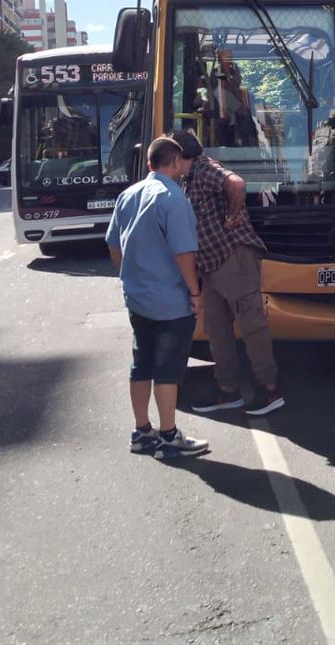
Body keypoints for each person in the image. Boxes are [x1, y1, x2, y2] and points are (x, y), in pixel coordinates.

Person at [106, 136, 209, 461]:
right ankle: (168, 437)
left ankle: (142, 432)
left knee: (142, 364)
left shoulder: (127, 195)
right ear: (175, 162)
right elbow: (183, 253)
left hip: (137, 298)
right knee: (168, 369)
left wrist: (129, 276)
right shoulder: (173, 198)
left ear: (149, 163)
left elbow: (113, 243)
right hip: (170, 301)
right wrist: (195, 293)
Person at [173, 131, 283, 417]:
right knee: (217, 330)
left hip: (234, 256)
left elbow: (236, 184)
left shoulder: (204, 168)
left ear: (179, 155)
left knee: (251, 326)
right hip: (212, 264)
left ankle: (269, 389)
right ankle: (228, 390)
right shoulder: (189, 178)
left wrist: (233, 217)